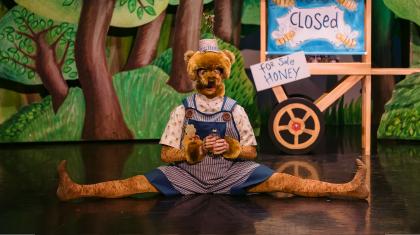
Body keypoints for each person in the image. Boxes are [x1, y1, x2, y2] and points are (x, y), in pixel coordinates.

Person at [57, 39, 369, 201]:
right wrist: (190, 151)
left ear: (223, 74)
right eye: (205, 72)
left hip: (232, 174)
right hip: (187, 177)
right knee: (135, 183)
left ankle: (349, 189)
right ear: (195, 75)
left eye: (217, 71)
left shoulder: (235, 109)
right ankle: (77, 191)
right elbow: (166, 154)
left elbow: (251, 151)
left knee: (286, 181)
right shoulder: (183, 109)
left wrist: (231, 147)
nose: (211, 78)